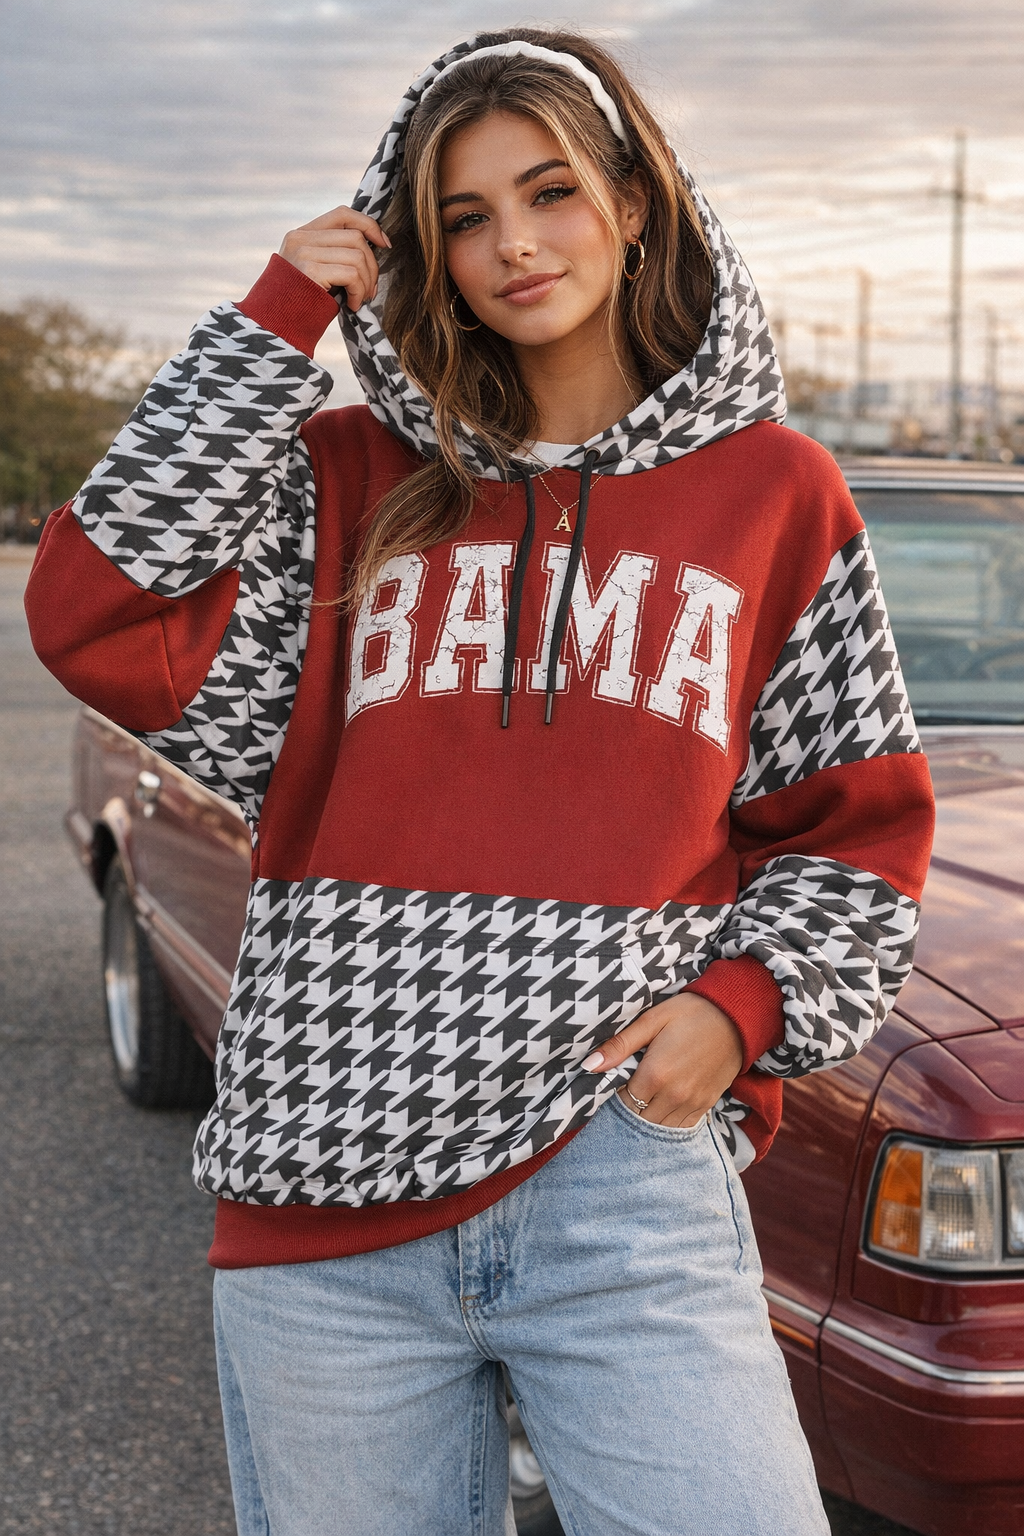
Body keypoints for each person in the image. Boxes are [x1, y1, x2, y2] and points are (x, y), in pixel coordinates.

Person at [26, 28, 934, 1536]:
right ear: (421, 252)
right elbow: (94, 607)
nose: (513, 243)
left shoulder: (776, 490)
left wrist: (736, 1017)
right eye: (461, 216)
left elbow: (856, 834)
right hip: (322, 1195)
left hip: (618, 1185)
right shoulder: (346, 480)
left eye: (551, 192)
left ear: (636, 203)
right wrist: (270, 318)